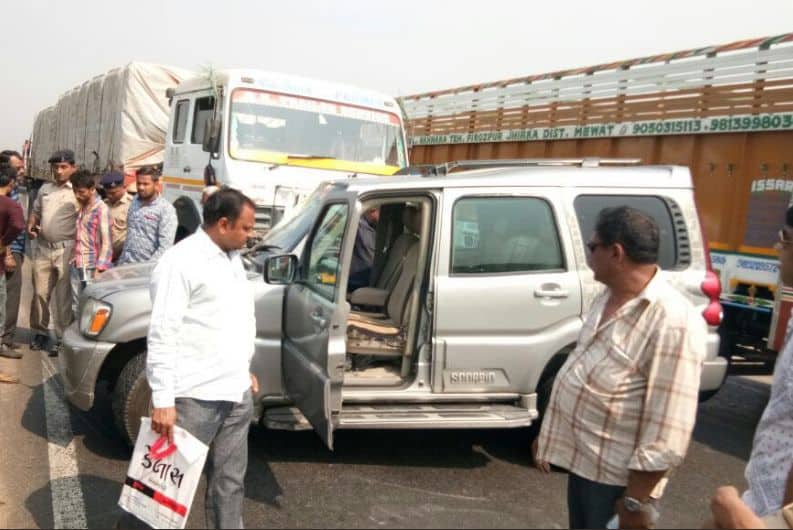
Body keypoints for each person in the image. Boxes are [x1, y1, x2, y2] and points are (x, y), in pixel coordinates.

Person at [533, 206, 706, 530]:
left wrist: (634, 502)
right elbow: (583, 367)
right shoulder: (607, 297)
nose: (589, 256)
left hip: (619, 486)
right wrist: (551, 434)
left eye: (592, 247)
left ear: (616, 253)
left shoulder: (673, 321)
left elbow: (668, 430)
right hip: (586, 468)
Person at [147, 187, 257, 529]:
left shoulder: (232, 257)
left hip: (235, 392)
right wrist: (163, 399)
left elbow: (235, 318)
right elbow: (163, 331)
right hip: (196, 396)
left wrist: (244, 368)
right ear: (223, 224)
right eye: (246, 228)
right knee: (165, 485)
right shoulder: (180, 262)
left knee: (230, 484)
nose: (251, 235)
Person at [27, 149, 79, 355]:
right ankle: (40, 332)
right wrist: (31, 225)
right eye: (56, 167)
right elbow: (36, 212)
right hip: (42, 248)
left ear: (73, 168)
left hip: (66, 250)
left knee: (63, 298)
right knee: (40, 293)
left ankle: (63, 337)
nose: (59, 171)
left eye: (63, 167)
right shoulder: (45, 189)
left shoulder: (77, 191)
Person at [70, 170, 112, 313]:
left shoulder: (101, 209)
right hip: (78, 264)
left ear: (92, 189)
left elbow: (107, 242)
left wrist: (100, 269)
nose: (77, 195)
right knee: (76, 306)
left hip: (91, 267)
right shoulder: (82, 207)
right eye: (75, 191)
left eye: (81, 192)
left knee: (90, 308)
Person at [117, 166, 177, 264]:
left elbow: (165, 246)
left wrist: (147, 268)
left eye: (145, 184)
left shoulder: (165, 209)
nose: (141, 187)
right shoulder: (135, 201)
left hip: (145, 268)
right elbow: (130, 234)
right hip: (125, 264)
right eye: (139, 183)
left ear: (156, 184)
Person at [0, 151, 27, 350]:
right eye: (17, 168)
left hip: (11, 248)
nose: (21, 171)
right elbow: (12, 225)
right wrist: (7, 251)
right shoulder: (8, 196)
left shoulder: (13, 190)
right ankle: (5, 340)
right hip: (8, 251)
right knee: (8, 296)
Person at [100, 171, 131, 262]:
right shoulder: (103, 204)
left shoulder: (131, 205)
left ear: (123, 187)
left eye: (113, 193)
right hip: (103, 256)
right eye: (107, 193)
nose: (110, 196)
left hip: (122, 257)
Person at [348, 207, 379, 291]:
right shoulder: (361, 226)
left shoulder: (363, 227)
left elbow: (370, 262)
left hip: (364, 278)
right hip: (362, 274)